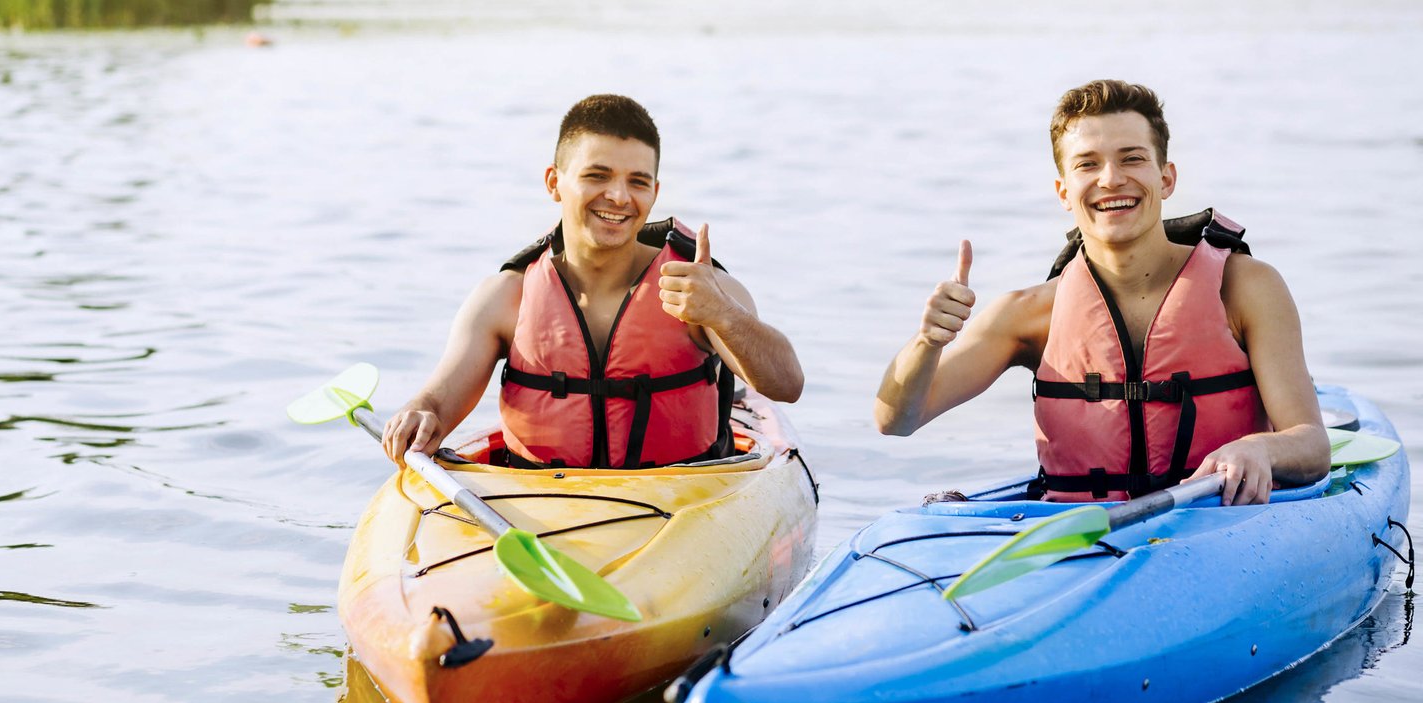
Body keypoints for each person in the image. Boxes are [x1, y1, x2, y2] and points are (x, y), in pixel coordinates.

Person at [873, 79, 1327, 505]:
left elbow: (1310, 443)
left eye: (1132, 158)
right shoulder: (1027, 314)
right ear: (1063, 191)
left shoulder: (1246, 287)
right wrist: (927, 342)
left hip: (1218, 524)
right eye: (1087, 164)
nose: (1110, 179)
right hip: (1084, 540)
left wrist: (1259, 449)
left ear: (1166, 178)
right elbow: (896, 420)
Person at [382, 94, 803, 470]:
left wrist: (725, 316)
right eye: (597, 175)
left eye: (637, 182)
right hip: (541, 502)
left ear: (654, 193)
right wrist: (420, 413)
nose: (619, 196)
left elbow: (786, 385)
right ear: (554, 183)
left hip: (679, 502)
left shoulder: (698, 287)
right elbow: (438, 401)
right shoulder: (505, 297)